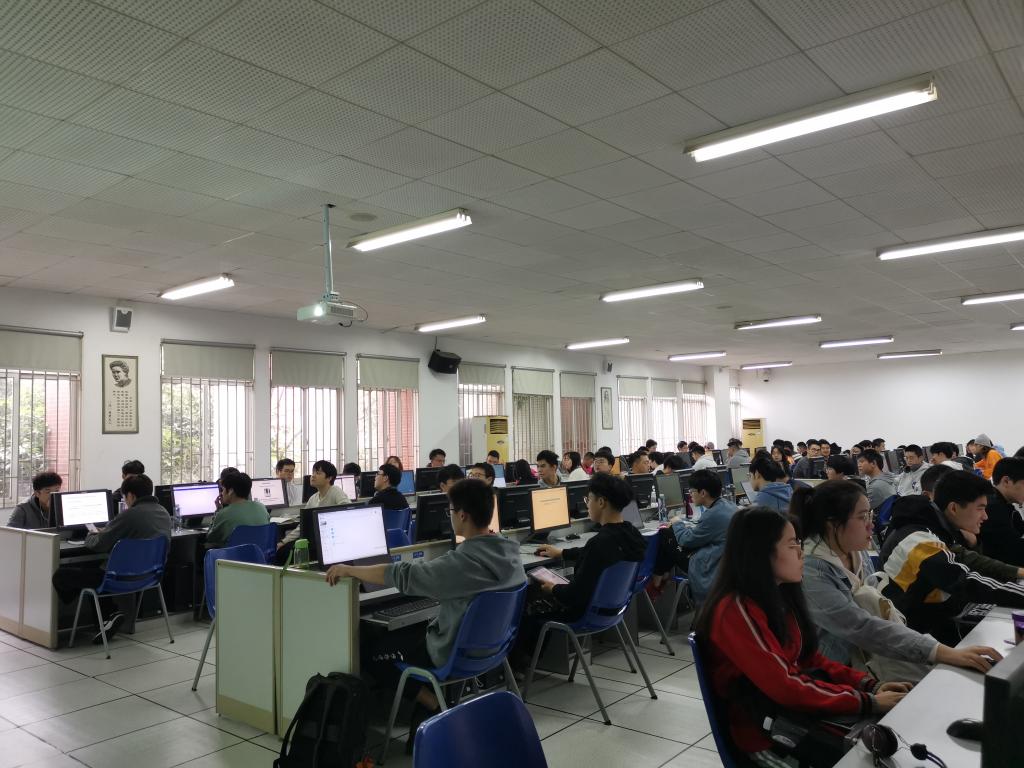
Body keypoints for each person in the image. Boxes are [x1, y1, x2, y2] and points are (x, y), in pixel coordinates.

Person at [697, 506, 910, 767]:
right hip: (768, 737)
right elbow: (785, 686)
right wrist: (868, 702)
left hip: (796, 718)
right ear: (760, 554)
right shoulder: (735, 610)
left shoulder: (778, 596)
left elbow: (809, 659)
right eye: (791, 545)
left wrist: (868, 686)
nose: (801, 553)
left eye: (799, 543)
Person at [326, 479, 524, 752]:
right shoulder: (510, 552)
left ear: (462, 515)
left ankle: (432, 703)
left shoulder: (462, 563)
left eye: (450, 510)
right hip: (494, 648)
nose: (449, 516)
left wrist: (349, 569)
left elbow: (403, 575)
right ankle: (432, 706)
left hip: (451, 652)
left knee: (370, 649)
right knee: (407, 632)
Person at [795, 480, 1000, 684]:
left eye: (870, 515)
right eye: (862, 517)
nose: (871, 524)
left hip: (871, 657)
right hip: (834, 675)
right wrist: (943, 653)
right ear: (832, 524)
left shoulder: (854, 550)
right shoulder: (812, 571)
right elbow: (860, 627)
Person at [880, 471, 1024, 645]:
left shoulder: (935, 529)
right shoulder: (919, 539)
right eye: (980, 508)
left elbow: (969, 561)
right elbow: (966, 581)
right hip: (908, 639)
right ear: (954, 508)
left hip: (927, 625)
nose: (985, 516)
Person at [516, 474, 645, 662]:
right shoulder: (631, 534)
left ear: (601, 502)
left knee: (528, 613)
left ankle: (523, 666)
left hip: (584, 614)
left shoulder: (599, 543)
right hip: (615, 609)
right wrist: (562, 553)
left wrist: (553, 588)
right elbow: (595, 554)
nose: (587, 504)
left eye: (588, 499)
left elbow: (574, 595)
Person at [51, 474, 172, 642]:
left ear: (131, 495)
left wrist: (92, 534)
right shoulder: (163, 512)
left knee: (62, 575)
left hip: (120, 577)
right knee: (91, 573)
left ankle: (109, 614)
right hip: (150, 577)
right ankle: (108, 618)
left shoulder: (130, 515)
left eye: (125, 497)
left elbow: (98, 545)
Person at [666, 469, 738, 603]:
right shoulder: (729, 505)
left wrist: (677, 523)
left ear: (703, 493)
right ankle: (662, 575)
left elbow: (686, 540)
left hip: (710, 565)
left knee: (667, 535)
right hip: (725, 562)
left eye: (692, 491)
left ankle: (660, 577)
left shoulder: (713, 515)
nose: (690, 495)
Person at [278, 460, 349, 552]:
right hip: (317, 540)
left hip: (332, 540)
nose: (313, 476)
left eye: (318, 473)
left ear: (329, 478)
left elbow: (348, 512)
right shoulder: (313, 498)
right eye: (313, 472)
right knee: (283, 550)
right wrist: (283, 541)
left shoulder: (335, 491)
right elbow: (302, 525)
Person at [205, 472, 271, 548]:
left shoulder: (224, 514)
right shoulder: (261, 507)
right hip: (260, 553)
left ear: (230, 491)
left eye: (223, 489)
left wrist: (217, 511)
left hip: (234, 555)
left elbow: (210, 538)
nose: (222, 493)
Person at [979, 458, 1024, 566]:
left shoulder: (1002, 502)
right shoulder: (993, 508)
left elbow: (1019, 527)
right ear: (1006, 481)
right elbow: (1013, 551)